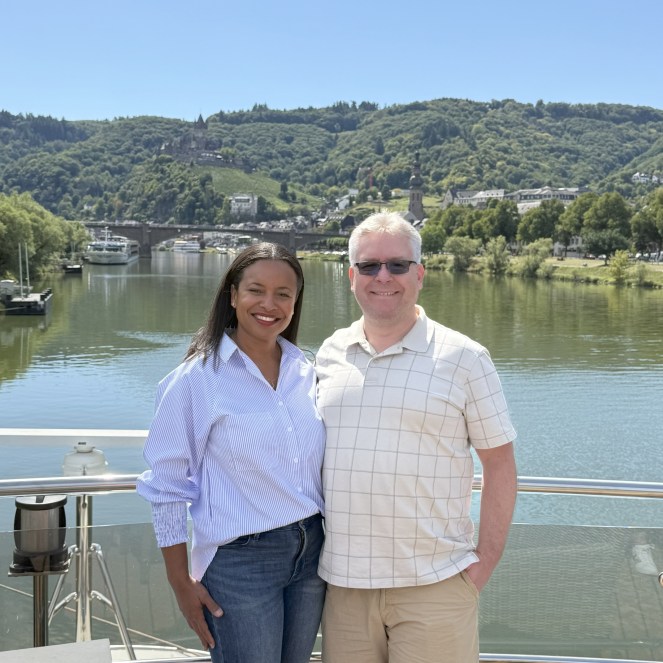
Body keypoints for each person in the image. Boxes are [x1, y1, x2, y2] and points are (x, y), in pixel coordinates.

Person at [315, 212, 517, 663]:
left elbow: (500, 464)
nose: (383, 276)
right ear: (351, 277)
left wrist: (480, 567)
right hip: (344, 589)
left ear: (420, 275)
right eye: (369, 266)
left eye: (397, 265)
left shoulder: (465, 357)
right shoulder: (330, 353)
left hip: (436, 585)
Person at [136, 242, 326, 663]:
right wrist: (180, 583)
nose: (269, 304)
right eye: (256, 290)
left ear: (295, 302)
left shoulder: (306, 372)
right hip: (241, 563)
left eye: (283, 294)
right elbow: (167, 487)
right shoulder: (196, 379)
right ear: (233, 295)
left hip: (312, 553)